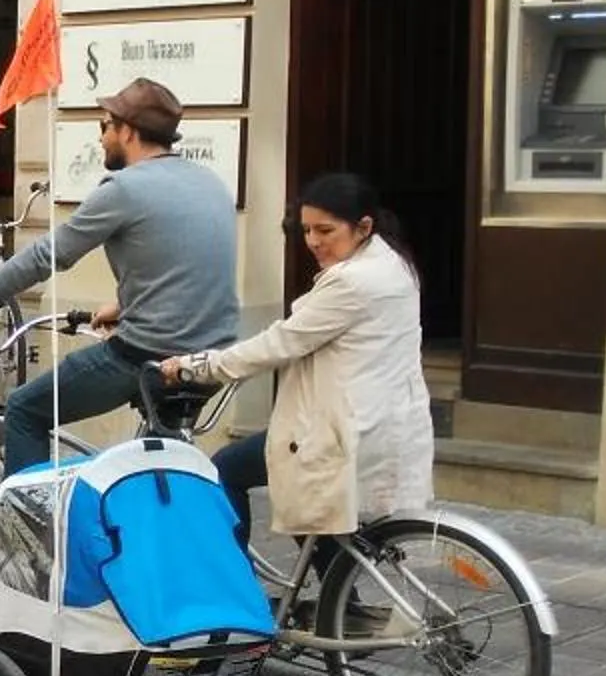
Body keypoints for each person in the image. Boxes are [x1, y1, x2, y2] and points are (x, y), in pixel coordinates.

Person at [0, 77, 239, 481]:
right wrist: (127, 304)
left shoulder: (125, 188)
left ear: (128, 131)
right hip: (212, 355)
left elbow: (49, 255)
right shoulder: (208, 181)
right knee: (159, 460)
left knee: (25, 409)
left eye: (104, 126)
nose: (101, 138)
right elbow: (183, 263)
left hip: (149, 354)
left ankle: (31, 535)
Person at [162, 172, 434, 545]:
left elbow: (280, 343)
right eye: (306, 230)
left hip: (343, 427)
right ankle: (338, 596)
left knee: (227, 468)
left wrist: (198, 367)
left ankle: (238, 592)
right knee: (307, 496)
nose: (312, 242)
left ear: (363, 227)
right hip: (384, 420)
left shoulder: (351, 282)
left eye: (325, 231)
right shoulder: (395, 265)